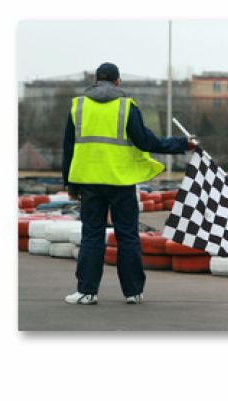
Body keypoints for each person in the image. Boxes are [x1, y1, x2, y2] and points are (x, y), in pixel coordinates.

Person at [63, 62, 196, 305]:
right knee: (127, 235)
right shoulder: (126, 107)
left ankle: (86, 291)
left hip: (88, 182)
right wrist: (182, 144)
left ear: (95, 81)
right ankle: (133, 292)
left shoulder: (78, 106)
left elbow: (68, 148)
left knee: (92, 235)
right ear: (117, 82)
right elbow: (146, 142)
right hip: (120, 182)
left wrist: (69, 184)